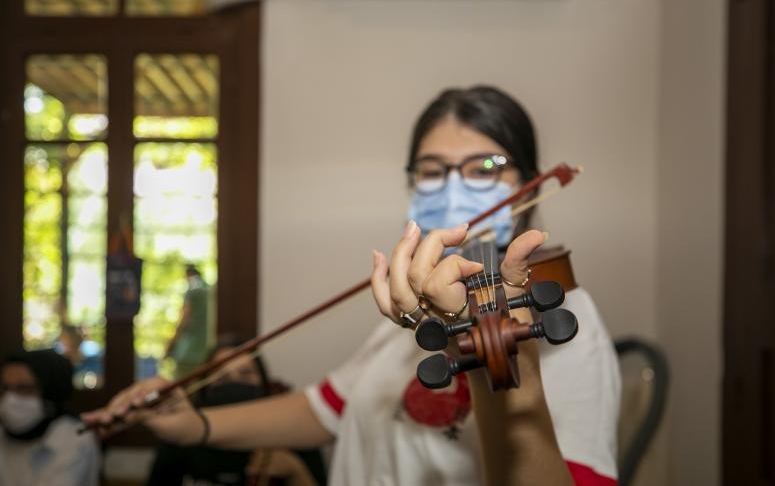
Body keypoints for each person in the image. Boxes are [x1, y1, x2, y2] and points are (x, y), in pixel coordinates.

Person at [84, 86, 620, 486]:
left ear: (525, 183)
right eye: (433, 170)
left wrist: (499, 355)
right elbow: (326, 408)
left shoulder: (569, 319)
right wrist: (195, 425)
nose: (455, 187)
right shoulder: (413, 311)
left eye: (486, 167)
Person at [147, 335, 325, 486]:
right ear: (205, 386)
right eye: (222, 377)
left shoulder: (293, 430)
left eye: (245, 374)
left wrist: (296, 471)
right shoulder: (182, 435)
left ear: (262, 382)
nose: (234, 384)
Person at [0, 349, 100, 486]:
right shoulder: (3, 434)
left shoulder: (74, 437)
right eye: (5, 388)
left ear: (50, 393)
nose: (11, 399)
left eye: (23, 388)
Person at [166, 264, 213, 378]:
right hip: (205, 349)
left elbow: (185, 318)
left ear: (187, 274)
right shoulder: (208, 288)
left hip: (187, 351)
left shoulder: (192, 289)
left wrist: (170, 344)